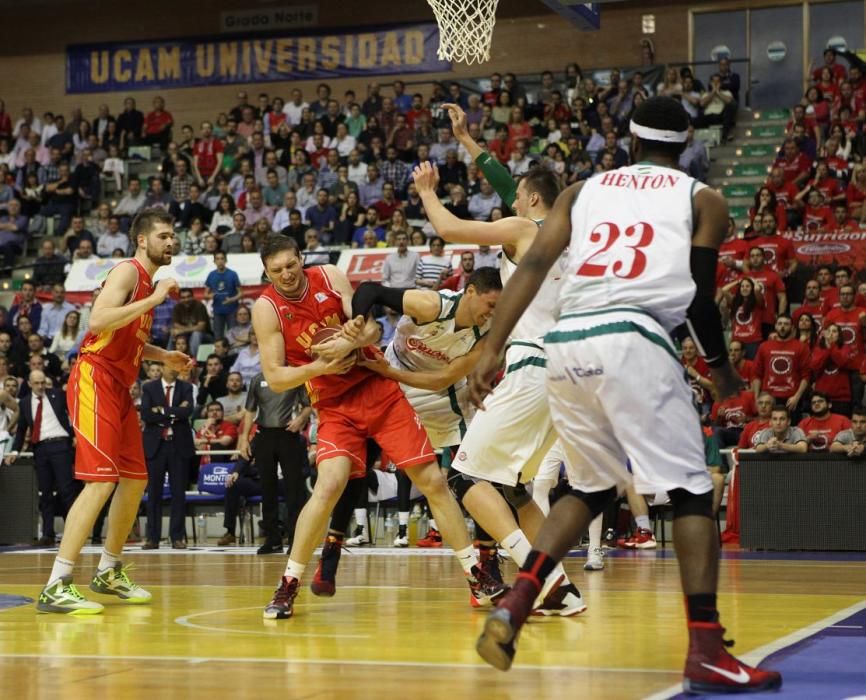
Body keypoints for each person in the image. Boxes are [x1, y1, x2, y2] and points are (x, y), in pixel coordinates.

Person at [468, 97, 781, 694]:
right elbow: (696, 300)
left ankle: (517, 602)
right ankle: (708, 648)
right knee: (692, 492)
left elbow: (532, 268)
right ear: (687, 143)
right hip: (633, 338)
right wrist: (721, 372)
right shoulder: (703, 200)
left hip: (565, 344)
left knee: (586, 487)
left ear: (629, 140)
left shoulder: (580, 192)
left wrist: (491, 348)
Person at [252, 236, 505, 619]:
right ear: (267, 272)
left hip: (377, 387)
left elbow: (372, 331)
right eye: (277, 270)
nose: (286, 274)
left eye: (291, 264)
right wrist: (323, 366)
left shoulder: (331, 275)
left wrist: (354, 339)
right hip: (334, 403)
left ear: (301, 258)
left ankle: (476, 576)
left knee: (434, 481)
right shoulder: (267, 308)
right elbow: (275, 377)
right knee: (330, 485)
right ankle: (288, 583)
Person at [411, 103, 593, 611]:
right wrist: (467, 140)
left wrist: (427, 192)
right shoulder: (569, 235)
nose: (509, 199)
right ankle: (561, 587)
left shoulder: (525, 230)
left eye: (517, 196)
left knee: (465, 478)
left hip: (533, 366)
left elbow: (448, 229)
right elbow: (508, 181)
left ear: (531, 200)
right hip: (569, 377)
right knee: (513, 490)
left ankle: (543, 586)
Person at [34, 208, 194, 614]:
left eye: (173, 236)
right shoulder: (128, 272)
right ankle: (58, 582)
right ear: (142, 240)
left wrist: (163, 356)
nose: (170, 242)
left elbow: (128, 339)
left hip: (120, 386)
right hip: (94, 378)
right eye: (163, 236)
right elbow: (99, 321)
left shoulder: (145, 283)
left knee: (135, 479)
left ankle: (108, 569)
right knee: (101, 481)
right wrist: (157, 299)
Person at [228, 372, 311, 553]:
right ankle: (273, 538)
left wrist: (300, 419)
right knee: (267, 487)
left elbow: (308, 404)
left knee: (294, 489)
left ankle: (296, 538)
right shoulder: (257, 379)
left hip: (288, 434)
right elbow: (250, 410)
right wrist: (243, 439)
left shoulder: (295, 375)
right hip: (264, 434)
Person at [6, 370, 77, 546]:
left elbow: (75, 415)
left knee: (66, 491)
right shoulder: (24, 403)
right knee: (45, 493)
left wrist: (77, 435)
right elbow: (22, 430)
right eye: (36, 383)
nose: (40, 386)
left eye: (42, 382)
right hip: (40, 449)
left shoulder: (58, 395)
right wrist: (15, 451)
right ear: (29, 384)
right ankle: (47, 534)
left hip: (61, 445)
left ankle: (74, 533)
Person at [140, 365, 195, 549]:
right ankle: (152, 538)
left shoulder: (186, 387)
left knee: (178, 493)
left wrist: (161, 410)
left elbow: (187, 412)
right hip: (156, 445)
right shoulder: (149, 387)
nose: (173, 369)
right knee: (154, 493)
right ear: (162, 368)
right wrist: (173, 412)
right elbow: (147, 414)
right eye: (168, 365)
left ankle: (177, 537)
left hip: (178, 445)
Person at [204, 251, 242, 341]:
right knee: (217, 336)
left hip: (232, 310)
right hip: (217, 310)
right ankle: (219, 354)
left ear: (226, 260)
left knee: (233, 336)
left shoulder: (233, 274)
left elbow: (241, 293)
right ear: (214, 261)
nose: (220, 261)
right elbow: (205, 294)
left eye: (222, 259)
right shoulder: (211, 275)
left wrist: (232, 299)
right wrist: (210, 296)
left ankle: (233, 354)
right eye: (217, 259)